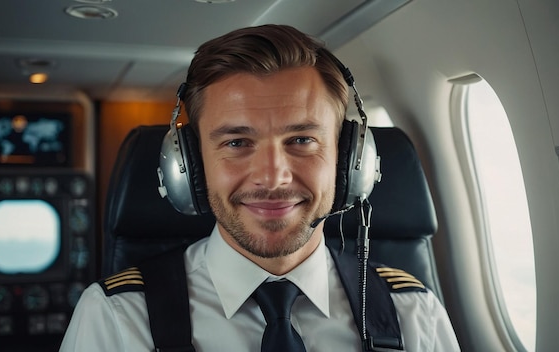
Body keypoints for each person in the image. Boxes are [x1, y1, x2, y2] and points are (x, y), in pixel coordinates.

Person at [59, 24, 460, 351]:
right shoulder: (117, 319)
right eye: (236, 143)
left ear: (349, 160)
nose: (272, 177)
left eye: (302, 140)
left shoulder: (413, 313)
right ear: (190, 165)